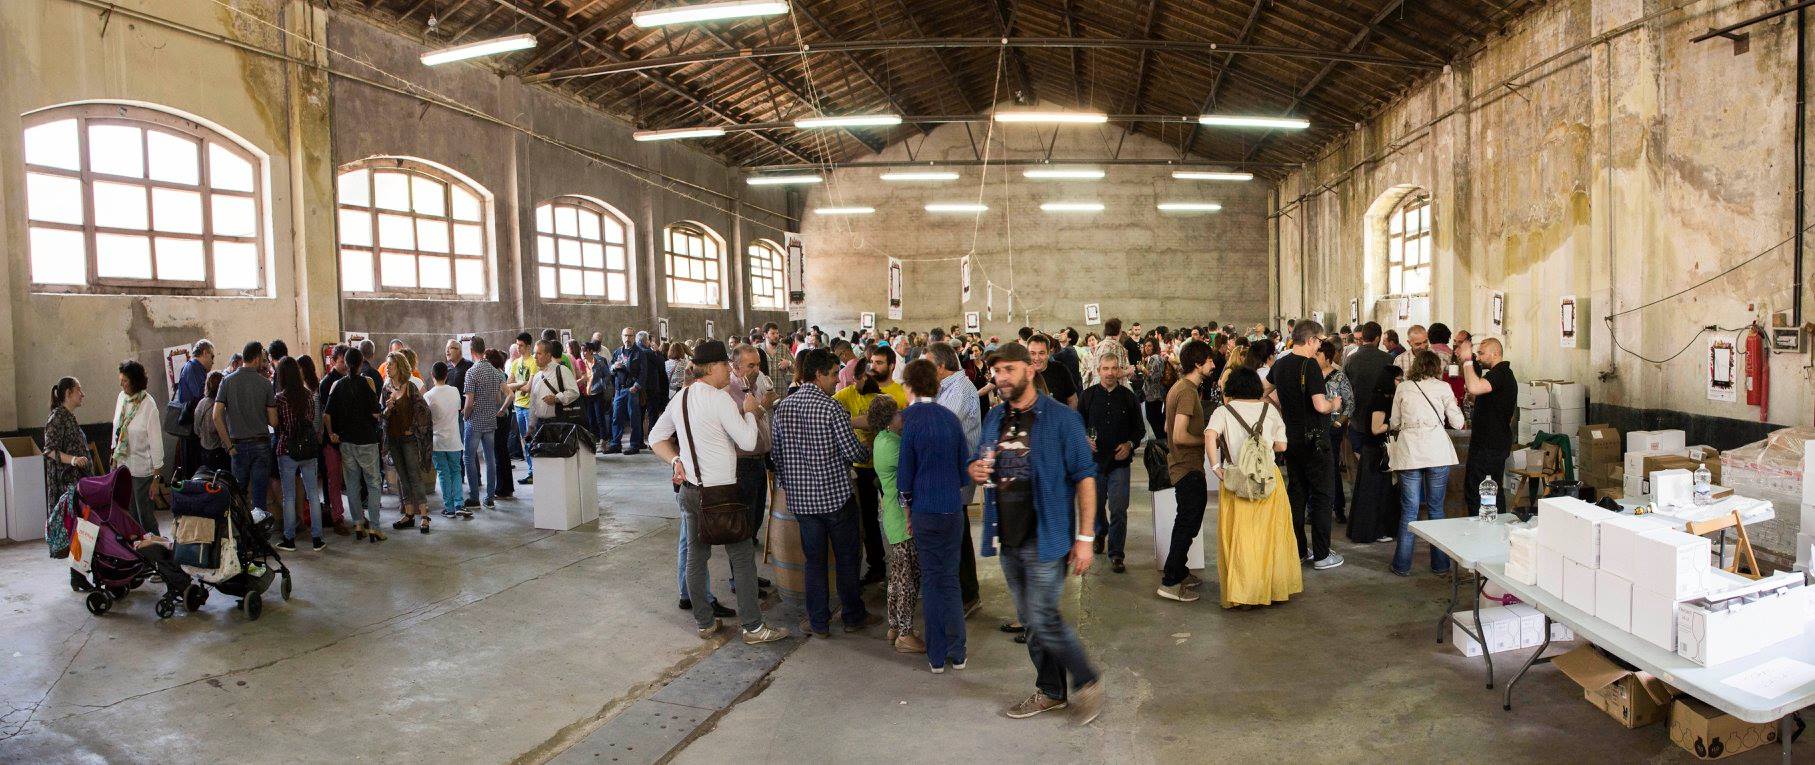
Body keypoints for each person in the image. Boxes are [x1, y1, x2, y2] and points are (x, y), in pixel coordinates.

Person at [971, 342, 1104, 725]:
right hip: (1007, 536)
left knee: (1042, 615)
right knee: (1030, 622)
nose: (1001, 378)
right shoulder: (994, 418)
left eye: (1008, 369)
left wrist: (1085, 539)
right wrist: (974, 470)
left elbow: (1085, 477)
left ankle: (1088, 679)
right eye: (996, 372)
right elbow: (980, 459)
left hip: (1047, 536)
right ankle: (1051, 691)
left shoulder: (1061, 419)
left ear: (1030, 369)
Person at [648, 340, 789, 645]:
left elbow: (655, 437)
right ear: (712, 368)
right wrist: (751, 411)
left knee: (697, 558)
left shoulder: (681, 398)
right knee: (741, 558)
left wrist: (676, 460)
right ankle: (753, 627)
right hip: (722, 494)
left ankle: (705, 623)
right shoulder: (720, 399)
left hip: (690, 491)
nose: (730, 370)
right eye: (726, 365)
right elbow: (749, 442)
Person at [771, 349, 878, 637]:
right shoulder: (832, 409)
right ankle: (853, 616)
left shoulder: (784, 408)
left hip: (803, 504)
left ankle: (818, 622)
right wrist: (868, 446)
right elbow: (852, 451)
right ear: (818, 375)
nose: (836, 381)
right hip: (836, 500)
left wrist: (793, 485)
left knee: (814, 563)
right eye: (833, 375)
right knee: (847, 559)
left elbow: (777, 456)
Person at [1205, 367, 1302, 608]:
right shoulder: (1270, 411)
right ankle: (1273, 589)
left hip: (1237, 480)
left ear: (1231, 388)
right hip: (1268, 480)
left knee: (1241, 538)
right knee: (1272, 536)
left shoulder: (1223, 412)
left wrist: (1216, 467)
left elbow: (1209, 435)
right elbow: (1281, 446)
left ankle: (1244, 593)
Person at [898, 359, 971, 672]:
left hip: (925, 510)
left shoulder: (907, 420)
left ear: (910, 386)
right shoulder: (950, 418)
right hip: (952, 509)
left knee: (931, 582)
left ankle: (937, 656)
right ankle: (959, 652)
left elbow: (905, 474)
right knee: (950, 579)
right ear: (936, 384)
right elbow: (964, 470)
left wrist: (907, 511)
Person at [1268, 321, 1345, 571]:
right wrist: (1335, 403)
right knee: (1323, 495)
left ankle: (1299, 550)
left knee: (1297, 493)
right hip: (1315, 440)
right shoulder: (1309, 365)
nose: (1320, 347)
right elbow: (1320, 406)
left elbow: (1263, 391)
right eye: (1320, 342)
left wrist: (1282, 408)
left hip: (1290, 439)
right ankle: (1322, 554)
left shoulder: (1280, 363)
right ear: (1311, 340)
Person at [833, 345, 909, 586]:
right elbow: (829, 410)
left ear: (891, 366)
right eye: (870, 364)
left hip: (892, 465)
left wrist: (858, 422)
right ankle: (877, 565)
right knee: (867, 519)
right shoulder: (847, 394)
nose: (873, 368)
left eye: (879, 363)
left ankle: (905, 566)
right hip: (863, 466)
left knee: (898, 514)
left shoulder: (899, 394)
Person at [1388, 350, 1465, 576]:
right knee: (1436, 508)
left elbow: (1394, 421)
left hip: (1410, 451)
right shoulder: (1443, 388)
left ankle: (1402, 565)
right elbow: (1458, 422)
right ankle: (1440, 564)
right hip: (1436, 450)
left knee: (1409, 510)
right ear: (1436, 368)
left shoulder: (1403, 387)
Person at [925, 342, 983, 613]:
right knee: (953, 534)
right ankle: (960, 592)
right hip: (948, 471)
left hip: (957, 472)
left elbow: (939, 425)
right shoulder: (946, 388)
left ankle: (968, 595)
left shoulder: (959, 389)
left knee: (957, 535)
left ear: (940, 366)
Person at [1157, 340, 1215, 602]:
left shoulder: (1181, 389)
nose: (1213, 365)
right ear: (1197, 364)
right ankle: (1170, 582)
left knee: (1187, 523)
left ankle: (1180, 572)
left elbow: (1170, 430)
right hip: (1187, 467)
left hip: (1186, 466)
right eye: (1210, 361)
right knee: (1187, 525)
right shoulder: (1188, 392)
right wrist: (1208, 439)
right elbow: (1179, 435)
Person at [1078, 353, 1143, 573]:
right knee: (1095, 507)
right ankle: (1100, 531)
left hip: (1119, 465)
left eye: (1114, 368)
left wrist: (1130, 444)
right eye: (1105, 368)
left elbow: (1139, 429)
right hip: (1093, 464)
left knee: (1119, 509)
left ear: (1119, 370)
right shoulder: (1086, 397)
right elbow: (1077, 426)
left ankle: (1116, 553)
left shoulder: (1128, 397)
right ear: (1098, 370)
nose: (1110, 373)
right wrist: (1084, 439)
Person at [870, 395, 923, 653]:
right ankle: (905, 633)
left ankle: (894, 626)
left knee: (897, 577)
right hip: (902, 520)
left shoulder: (881, 440)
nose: (902, 415)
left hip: (890, 516)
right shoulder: (895, 445)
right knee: (908, 580)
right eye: (898, 412)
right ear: (890, 418)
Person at [725, 346, 776, 596]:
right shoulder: (730, 389)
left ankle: (748, 575)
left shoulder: (752, 383)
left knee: (755, 522)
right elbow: (739, 420)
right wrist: (761, 407)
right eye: (750, 366)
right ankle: (740, 580)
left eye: (758, 364)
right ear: (735, 366)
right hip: (741, 462)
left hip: (758, 459)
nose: (757, 370)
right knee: (743, 526)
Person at [325, 346, 386, 542]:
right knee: (374, 484)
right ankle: (374, 527)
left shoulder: (337, 385)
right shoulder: (367, 383)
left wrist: (332, 433)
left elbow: (327, 415)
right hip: (366, 441)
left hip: (346, 441)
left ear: (346, 363)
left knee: (351, 484)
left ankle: (358, 523)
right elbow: (376, 413)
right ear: (360, 363)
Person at [44, 378, 95, 591]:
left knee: (83, 529)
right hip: (68, 484)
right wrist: (73, 460)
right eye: (78, 390)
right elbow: (49, 450)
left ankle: (79, 574)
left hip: (78, 482)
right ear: (67, 393)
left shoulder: (69, 417)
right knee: (79, 528)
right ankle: (78, 576)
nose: (82, 394)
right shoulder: (57, 418)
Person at [214, 341, 276, 516]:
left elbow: (216, 415)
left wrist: (228, 445)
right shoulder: (265, 384)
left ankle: (240, 536)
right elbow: (274, 421)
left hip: (237, 446)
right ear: (256, 359)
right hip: (261, 444)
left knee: (239, 495)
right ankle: (260, 535)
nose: (264, 363)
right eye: (263, 360)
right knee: (259, 496)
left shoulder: (227, 381)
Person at [270, 357, 324, 552]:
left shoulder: (280, 398)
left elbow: (276, 424)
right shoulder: (308, 395)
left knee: (289, 497)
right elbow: (311, 419)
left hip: (287, 448)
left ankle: (289, 538)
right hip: (308, 449)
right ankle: (317, 539)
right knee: (313, 494)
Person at [1457, 337, 1516, 515]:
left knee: (1484, 492)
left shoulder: (1501, 373)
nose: (1479, 358)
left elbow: (1475, 387)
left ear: (1495, 353)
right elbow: (1478, 393)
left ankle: (1487, 532)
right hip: (1487, 443)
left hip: (1490, 446)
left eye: (1482, 354)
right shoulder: (1496, 375)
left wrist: (1467, 360)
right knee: (1481, 490)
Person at [1347, 367, 1403, 544]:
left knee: (1376, 492)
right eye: (1398, 379)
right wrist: (1397, 424)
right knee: (1375, 493)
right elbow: (1375, 428)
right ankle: (1375, 530)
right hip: (1375, 453)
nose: (1400, 383)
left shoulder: (1382, 398)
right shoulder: (1380, 400)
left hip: (1374, 451)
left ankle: (1375, 529)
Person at [110, 360, 164, 535]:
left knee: (145, 517)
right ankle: (136, 556)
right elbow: (116, 428)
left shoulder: (149, 405)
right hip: (123, 467)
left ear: (135, 381)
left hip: (142, 472)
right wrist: (113, 456)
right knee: (128, 517)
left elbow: (156, 443)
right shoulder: (122, 398)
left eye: (125, 381)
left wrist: (156, 478)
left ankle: (158, 556)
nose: (121, 384)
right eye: (121, 380)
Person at [383, 352, 433, 534]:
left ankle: (424, 515)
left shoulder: (410, 387)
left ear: (400, 367)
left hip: (409, 439)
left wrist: (413, 428)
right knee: (402, 477)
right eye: (387, 365)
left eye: (391, 365)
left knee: (414, 475)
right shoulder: (386, 388)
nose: (388, 368)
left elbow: (424, 412)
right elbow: (383, 417)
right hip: (394, 438)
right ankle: (409, 514)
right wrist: (387, 409)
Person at [461, 337, 504, 510]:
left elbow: (469, 402)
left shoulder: (472, 372)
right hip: (490, 420)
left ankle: (474, 497)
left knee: (468, 457)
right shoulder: (495, 371)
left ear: (471, 351)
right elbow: (498, 398)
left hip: (475, 421)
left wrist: (465, 416)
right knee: (490, 458)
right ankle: (490, 497)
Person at [1317, 339, 1355, 524]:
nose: (1315, 357)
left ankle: (1338, 507)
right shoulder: (1310, 374)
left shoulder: (1339, 377)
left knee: (1331, 467)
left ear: (1328, 357)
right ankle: (1313, 508)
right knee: (1314, 468)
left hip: (1332, 428)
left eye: (1318, 354)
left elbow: (1350, 404)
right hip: (1314, 427)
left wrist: (1339, 423)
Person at [425, 361, 468, 520]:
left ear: (432, 376)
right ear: (447, 375)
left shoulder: (428, 395)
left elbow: (426, 418)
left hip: (437, 441)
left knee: (443, 474)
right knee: (456, 471)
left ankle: (449, 508)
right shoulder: (455, 391)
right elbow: (457, 409)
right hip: (454, 439)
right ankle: (459, 504)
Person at [172, 339, 214, 480]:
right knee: (194, 467)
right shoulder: (194, 368)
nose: (213, 361)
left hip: (191, 425)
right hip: (191, 427)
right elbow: (200, 396)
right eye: (212, 356)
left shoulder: (193, 368)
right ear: (205, 352)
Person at [505, 332, 541, 481]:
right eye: (517, 345)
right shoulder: (515, 363)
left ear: (528, 346)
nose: (518, 348)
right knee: (524, 440)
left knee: (531, 438)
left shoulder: (533, 362)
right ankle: (531, 470)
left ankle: (536, 470)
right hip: (518, 405)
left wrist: (518, 385)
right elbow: (508, 386)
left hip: (529, 406)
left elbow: (529, 387)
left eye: (521, 346)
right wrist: (521, 384)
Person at [606, 327, 643, 455]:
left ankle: (635, 445)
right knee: (616, 417)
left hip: (632, 389)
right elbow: (610, 369)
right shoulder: (617, 352)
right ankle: (616, 444)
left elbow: (644, 372)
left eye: (630, 336)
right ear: (621, 337)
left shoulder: (640, 352)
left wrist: (637, 386)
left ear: (634, 337)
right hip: (619, 390)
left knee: (634, 418)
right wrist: (613, 367)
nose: (627, 338)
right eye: (625, 336)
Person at [638, 331, 671, 445]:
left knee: (639, 415)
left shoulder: (635, 352)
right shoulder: (649, 352)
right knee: (652, 415)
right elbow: (662, 364)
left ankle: (639, 440)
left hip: (639, 389)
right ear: (646, 341)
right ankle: (652, 441)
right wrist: (657, 352)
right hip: (651, 388)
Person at [1027, 334, 1078, 408]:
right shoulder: (1022, 374)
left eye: (1041, 353)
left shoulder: (1060, 370)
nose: (1037, 358)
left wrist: (1068, 419)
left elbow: (1072, 400)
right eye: (1032, 353)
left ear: (1048, 354)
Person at [1140, 337, 1173, 442]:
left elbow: (1154, 377)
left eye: (1149, 345)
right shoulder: (1152, 358)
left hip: (1155, 395)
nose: (1147, 348)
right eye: (1145, 346)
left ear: (1154, 347)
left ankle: (1163, 440)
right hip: (1153, 394)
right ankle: (1163, 439)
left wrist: (1143, 369)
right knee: (1155, 418)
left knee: (1154, 418)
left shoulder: (1155, 358)